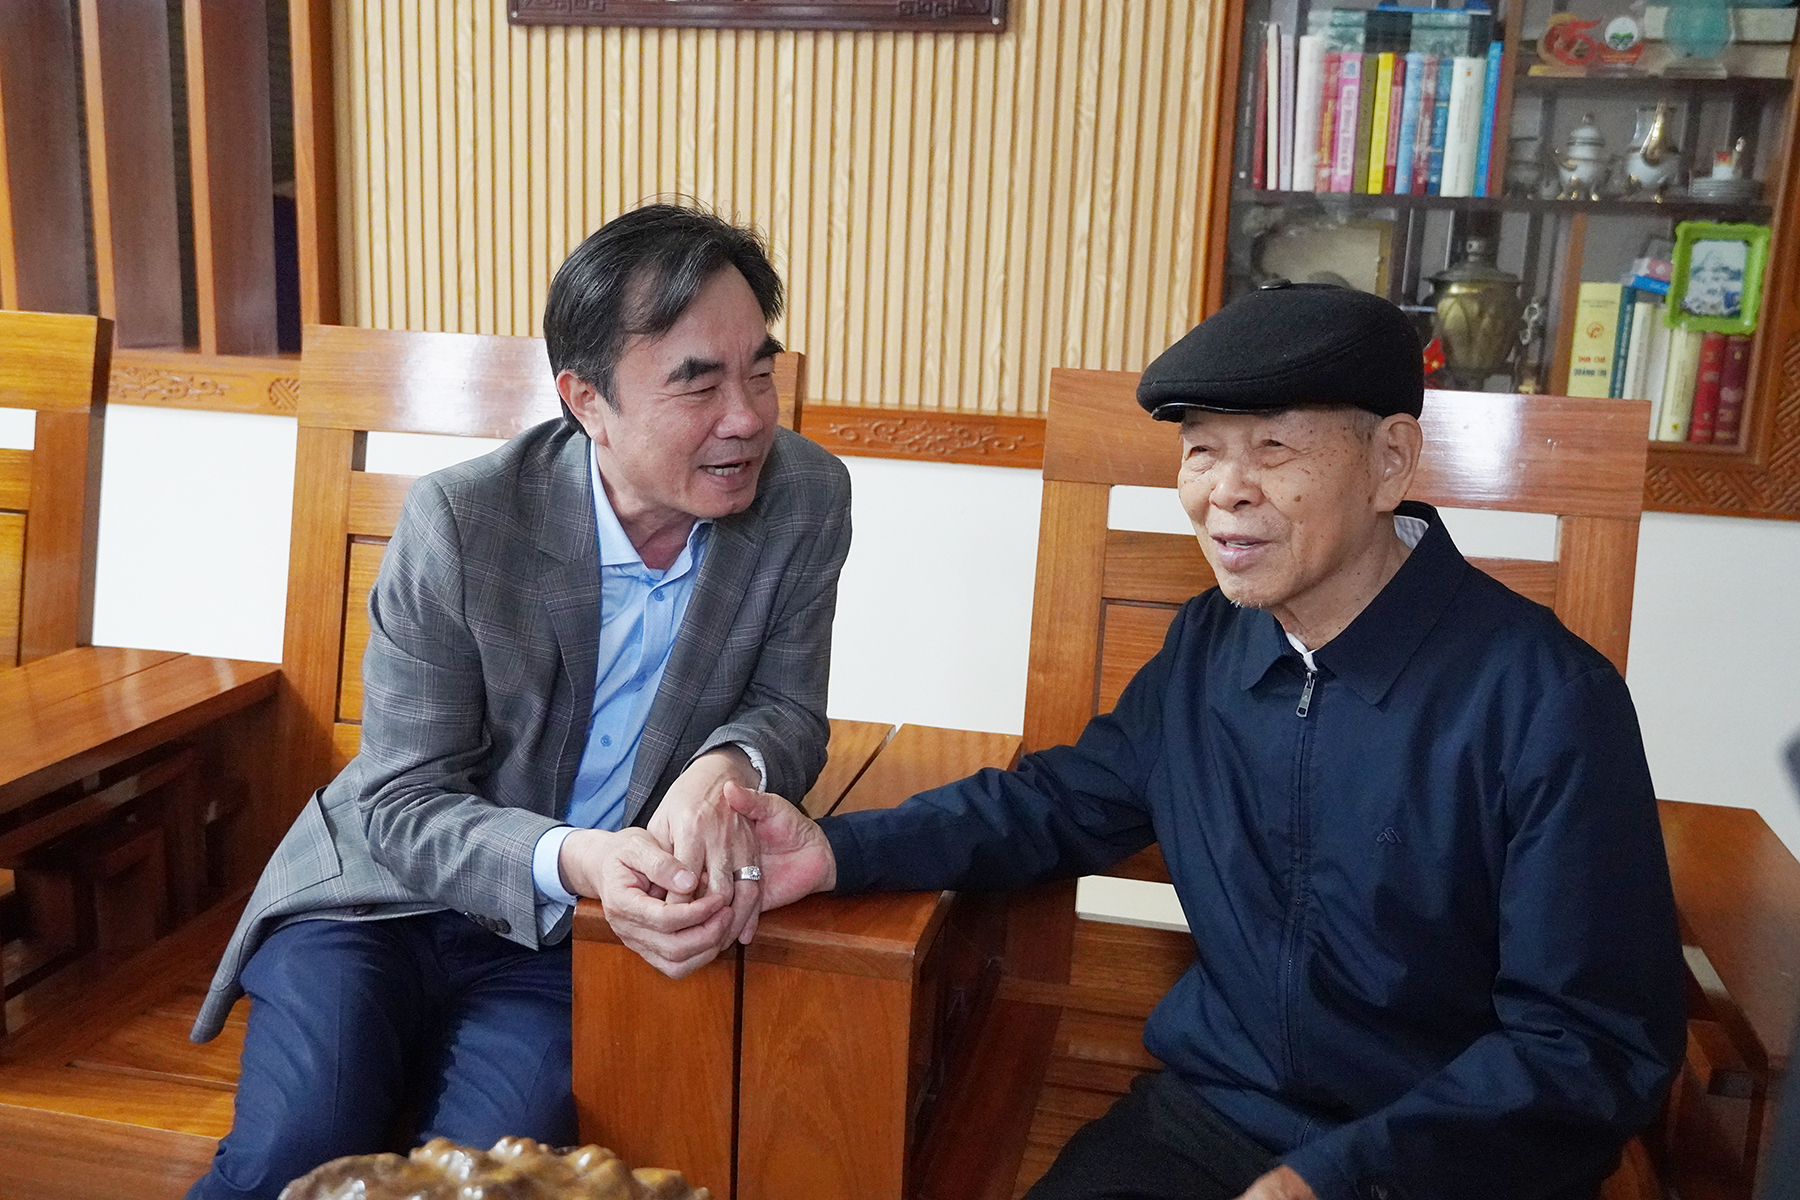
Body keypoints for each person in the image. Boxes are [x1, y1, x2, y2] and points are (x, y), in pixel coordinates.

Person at [730, 282, 1686, 1200]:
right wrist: (837, 851)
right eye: (1201, 453)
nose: (1225, 493)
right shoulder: (1210, 645)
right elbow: (1061, 803)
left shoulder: (1548, 702)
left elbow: (1593, 1045)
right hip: (1210, 1124)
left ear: (1391, 462)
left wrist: (1341, 1179)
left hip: (1446, 1161)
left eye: (1272, 449)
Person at [186, 204, 852, 1200]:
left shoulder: (806, 497)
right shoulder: (463, 519)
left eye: (759, 371)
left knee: (509, 1178)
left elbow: (788, 709)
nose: (748, 417)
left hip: (566, 936)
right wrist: (580, 855)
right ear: (586, 401)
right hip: (379, 898)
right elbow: (401, 801)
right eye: (698, 383)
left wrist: (724, 767)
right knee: (299, 1152)